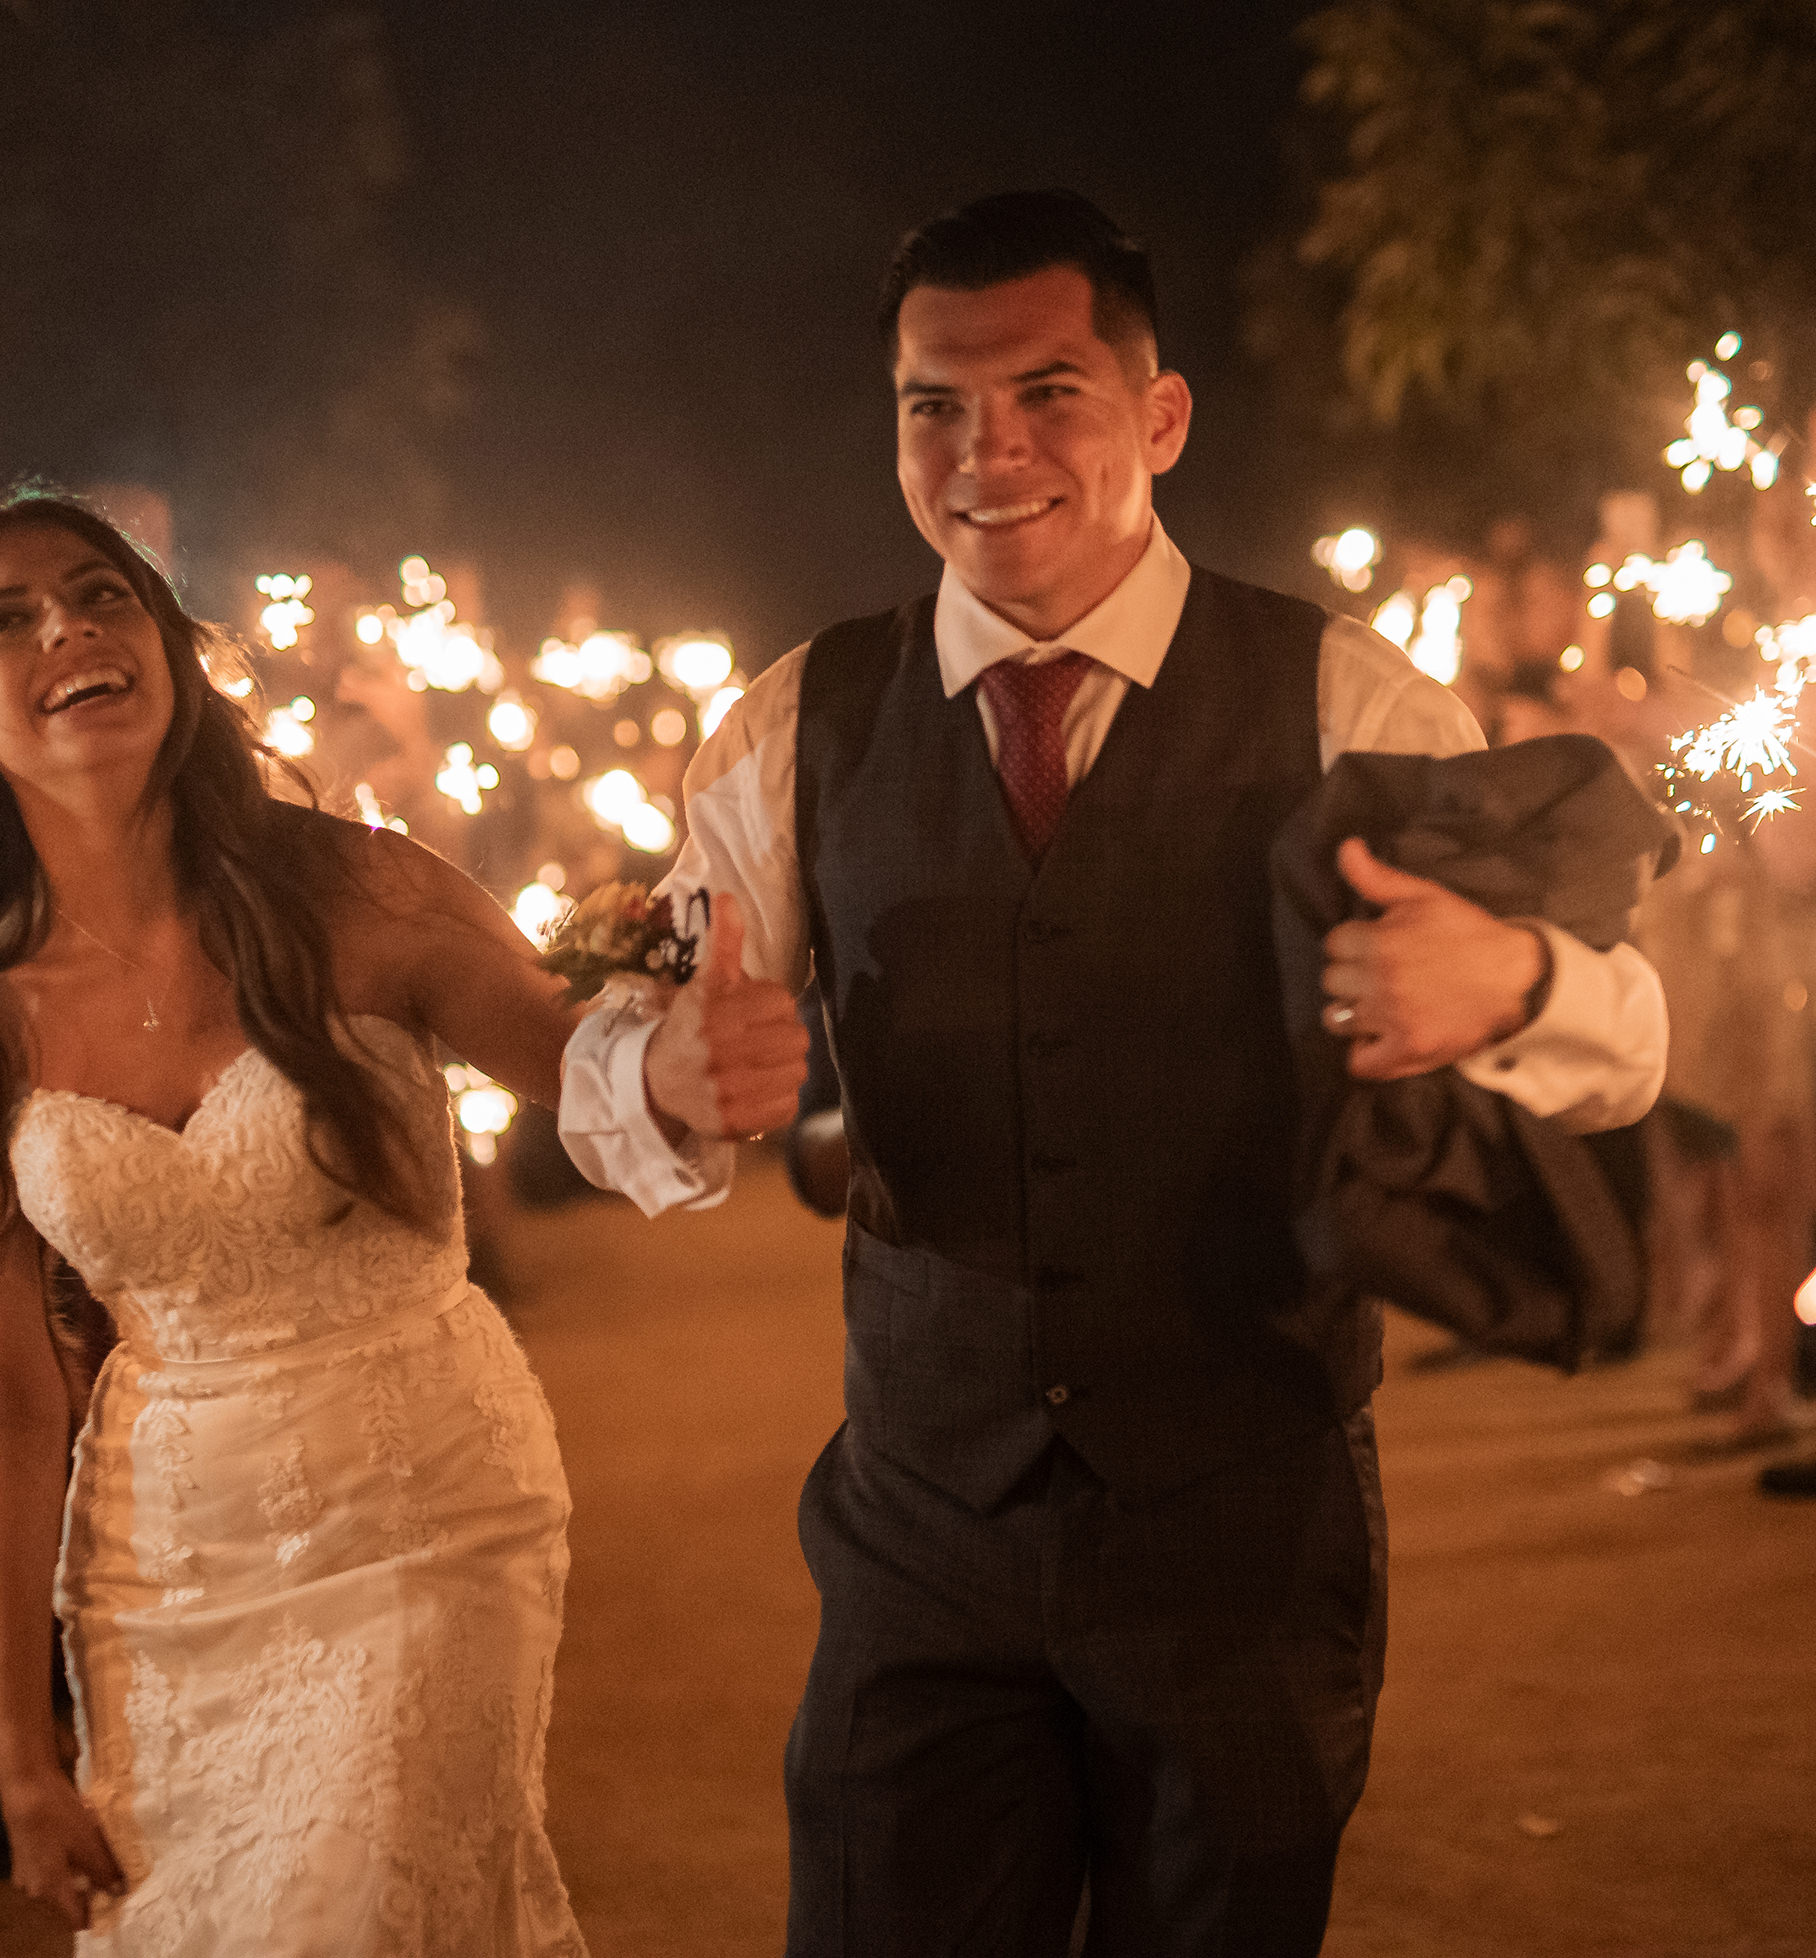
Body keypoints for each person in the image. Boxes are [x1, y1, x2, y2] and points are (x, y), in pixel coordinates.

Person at [563, 190, 1667, 1956]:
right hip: (918, 1533)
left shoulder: (1343, 702)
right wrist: (668, 1080)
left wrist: (1516, 974)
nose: (986, 452)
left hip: (1240, 1528)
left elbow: (1624, 1049)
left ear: (1158, 416)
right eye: (935, 404)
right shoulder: (797, 722)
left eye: (1047, 394)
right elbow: (621, 1072)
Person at [0, 489, 629, 1953]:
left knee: (356, 1904)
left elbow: (617, 1100)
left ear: (168, 651)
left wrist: (671, 1010)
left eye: (99, 593)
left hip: (432, 1494)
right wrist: (20, 1750)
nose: (67, 626)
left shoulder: (359, 889)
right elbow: (4, 1393)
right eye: (5, 619)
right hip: (171, 1562)